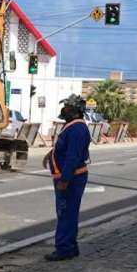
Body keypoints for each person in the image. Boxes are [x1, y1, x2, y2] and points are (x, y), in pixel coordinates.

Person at [42, 94, 91, 262]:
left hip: (72, 179)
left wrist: (64, 180)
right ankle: (71, 246)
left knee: (66, 213)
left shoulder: (76, 128)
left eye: (68, 107)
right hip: (71, 177)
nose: (64, 110)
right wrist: (50, 155)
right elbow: (64, 148)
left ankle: (64, 249)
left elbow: (72, 156)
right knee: (68, 213)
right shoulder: (72, 126)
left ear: (76, 111)